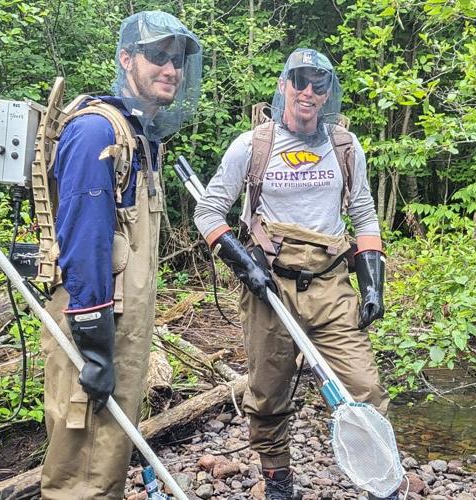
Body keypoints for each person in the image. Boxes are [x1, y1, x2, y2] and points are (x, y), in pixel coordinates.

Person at [193, 48, 395, 500]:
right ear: (284, 84)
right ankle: (278, 480)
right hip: (270, 284)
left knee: (366, 387)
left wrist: (372, 283)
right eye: (299, 81)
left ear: (327, 94)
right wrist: (244, 266)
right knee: (267, 392)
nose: (307, 91)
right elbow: (207, 211)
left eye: (317, 84)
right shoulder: (253, 146)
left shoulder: (345, 147)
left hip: (330, 282)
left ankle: (382, 479)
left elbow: (363, 214)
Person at [39, 11, 201, 499]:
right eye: (157, 56)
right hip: (96, 325)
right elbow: (84, 243)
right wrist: (92, 342)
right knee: (81, 466)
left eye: (176, 60)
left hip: (123, 327)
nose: (169, 69)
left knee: (107, 455)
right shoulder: (97, 132)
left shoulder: (140, 137)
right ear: (127, 59)